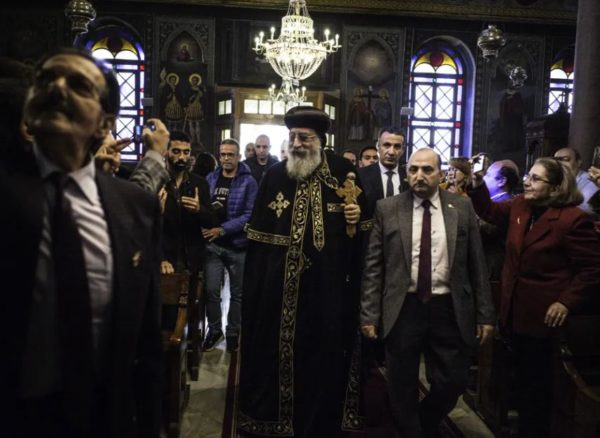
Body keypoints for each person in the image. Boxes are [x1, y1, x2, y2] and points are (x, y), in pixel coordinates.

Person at [1, 48, 162, 438]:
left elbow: (146, 339)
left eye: (78, 85)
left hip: (104, 417)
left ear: (105, 123)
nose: (57, 88)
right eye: (45, 80)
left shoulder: (134, 206)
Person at [239, 106, 369, 437]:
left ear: (320, 140)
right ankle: (278, 418)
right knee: (278, 350)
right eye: (293, 137)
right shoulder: (274, 176)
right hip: (280, 289)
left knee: (324, 352)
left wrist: (357, 219)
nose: (297, 144)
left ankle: (322, 419)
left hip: (329, 289)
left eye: (305, 138)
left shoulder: (345, 175)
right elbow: (258, 242)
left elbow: (365, 238)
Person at [361, 147, 495, 438]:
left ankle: (426, 418)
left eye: (427, 170)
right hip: (403, 307)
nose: (419, 176)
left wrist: (485, 314)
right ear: (406, 173)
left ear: (439, 172)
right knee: (401, 383)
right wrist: (369, 314)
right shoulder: (387, 208)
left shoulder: (461, 207)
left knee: (454, 380)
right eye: (413, 170)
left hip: (448, 307)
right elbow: (374, 265)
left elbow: (477, 264)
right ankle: (412, 432)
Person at [468, 156, 600, 437]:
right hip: (513, 309)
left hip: (544, 316)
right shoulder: (521, 205)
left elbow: (592, 268)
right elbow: (489, 211)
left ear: (555, 187)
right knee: (520, 381)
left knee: (537, 387)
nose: (527, 181)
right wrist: (477, 184)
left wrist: (566, 301)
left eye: (536, 178)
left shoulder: (572, 219)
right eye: (528, 176)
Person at [202, 139, 257, 352]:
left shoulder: (248, 182)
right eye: (223, 154)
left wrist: (223, 229)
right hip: (213, 245)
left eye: (230, 154)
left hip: (237, 245)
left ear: (238, 157)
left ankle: (233, 331)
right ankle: (215, 330)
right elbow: (204, 207)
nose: (226, 158)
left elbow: (249, 214)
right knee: (211, 290)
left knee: (237, 293)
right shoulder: (211, 178)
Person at [159, 130, 213, 280]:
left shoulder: (199, 183)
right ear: (166, 152)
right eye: (176, 151)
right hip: (164, 258)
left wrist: (198, 210)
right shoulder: (155, 182)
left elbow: (211, 221)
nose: (182, 157)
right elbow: (142, 228)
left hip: (192, 260)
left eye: (186, 152)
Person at [358, 127, 409, 217]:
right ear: (378, 147)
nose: (391, 152)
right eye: (386, 145)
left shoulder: (409, 177)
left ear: (403, 150)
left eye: (397, 146)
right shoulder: (361, 175)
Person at [554, 147, 599, 215]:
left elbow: (586, 210)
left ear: (578, 162)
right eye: (555, 161)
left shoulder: (590, 180)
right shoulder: (554, 180)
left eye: (565, 160)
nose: (559, 164)